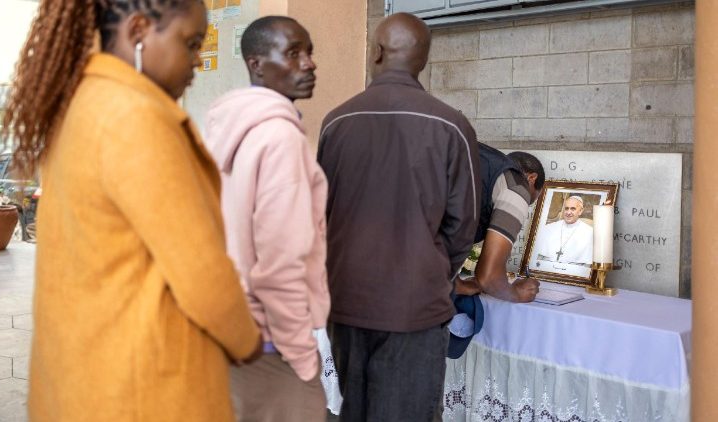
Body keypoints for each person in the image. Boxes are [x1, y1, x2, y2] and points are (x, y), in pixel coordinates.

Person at [0, 1, 261, 420]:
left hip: (87, 377)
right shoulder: (138, 118)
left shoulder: (81, 103)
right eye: (190, 43)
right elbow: (202, 273)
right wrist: (248, 341)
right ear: (138, 30)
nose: (196, 60)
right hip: (145, 389)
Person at [317, 12, 481, 421]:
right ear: (423, 62)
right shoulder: (452, 125)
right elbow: (464, 226)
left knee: (354, 412)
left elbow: (320, 214)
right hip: (414, 305)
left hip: (346, 301)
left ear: (375, 52)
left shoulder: (335, 122)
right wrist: (432, 272)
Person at [204, 16, 329, 421]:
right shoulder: (280, 139)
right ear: (257, 64)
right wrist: (303, 356)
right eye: (293, 53)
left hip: (227, 332)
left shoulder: (226, 128)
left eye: (309, 52)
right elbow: (279, 263)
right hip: (271, 344)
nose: (309, 64)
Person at [448, 146, 543, 361]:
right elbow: (489, 278)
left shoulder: (474, 161)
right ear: (531, 178)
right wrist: (516, 293)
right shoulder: (516, 185)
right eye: (530, 202)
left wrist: (456, 283)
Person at [535, 195, 594, 265]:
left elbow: (585, 264)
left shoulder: (589, 233)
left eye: (573, 209)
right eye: (566, 208)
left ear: (580, 211)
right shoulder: (549, 228)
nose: (568, 212)